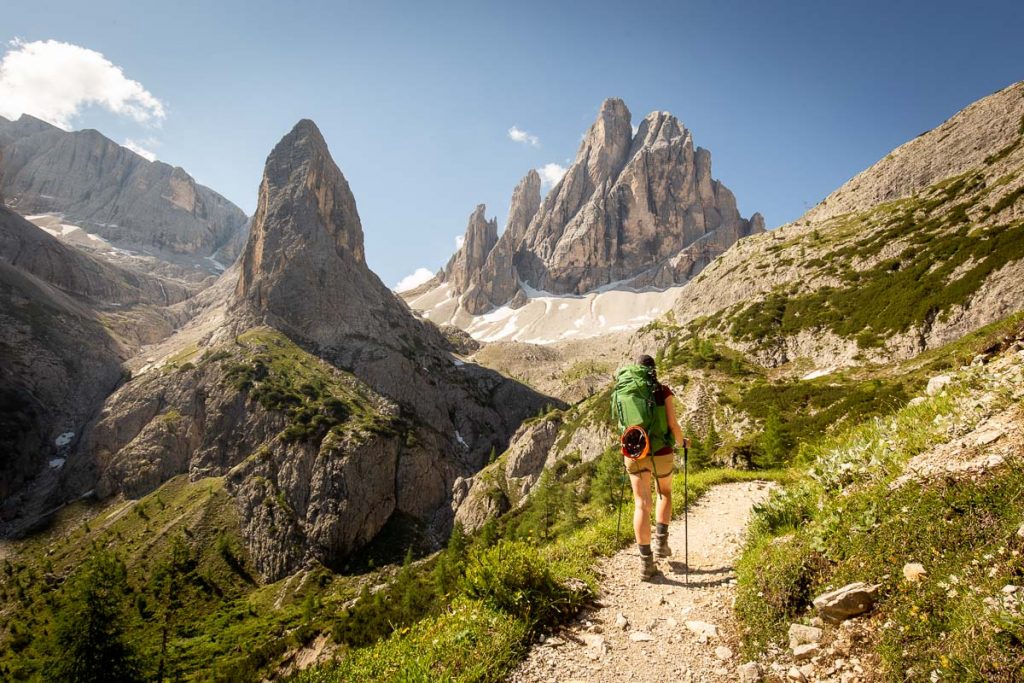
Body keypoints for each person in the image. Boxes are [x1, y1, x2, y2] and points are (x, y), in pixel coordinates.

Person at [625, 354, 685, 579]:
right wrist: (682, 442)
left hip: (635, 452)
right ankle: (661, 543)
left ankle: (646, 563)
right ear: (654, 370)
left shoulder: (627, 392)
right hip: (661, 451)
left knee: (641, 504)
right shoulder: (663, 391)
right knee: (665, 492)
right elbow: (672, 424)